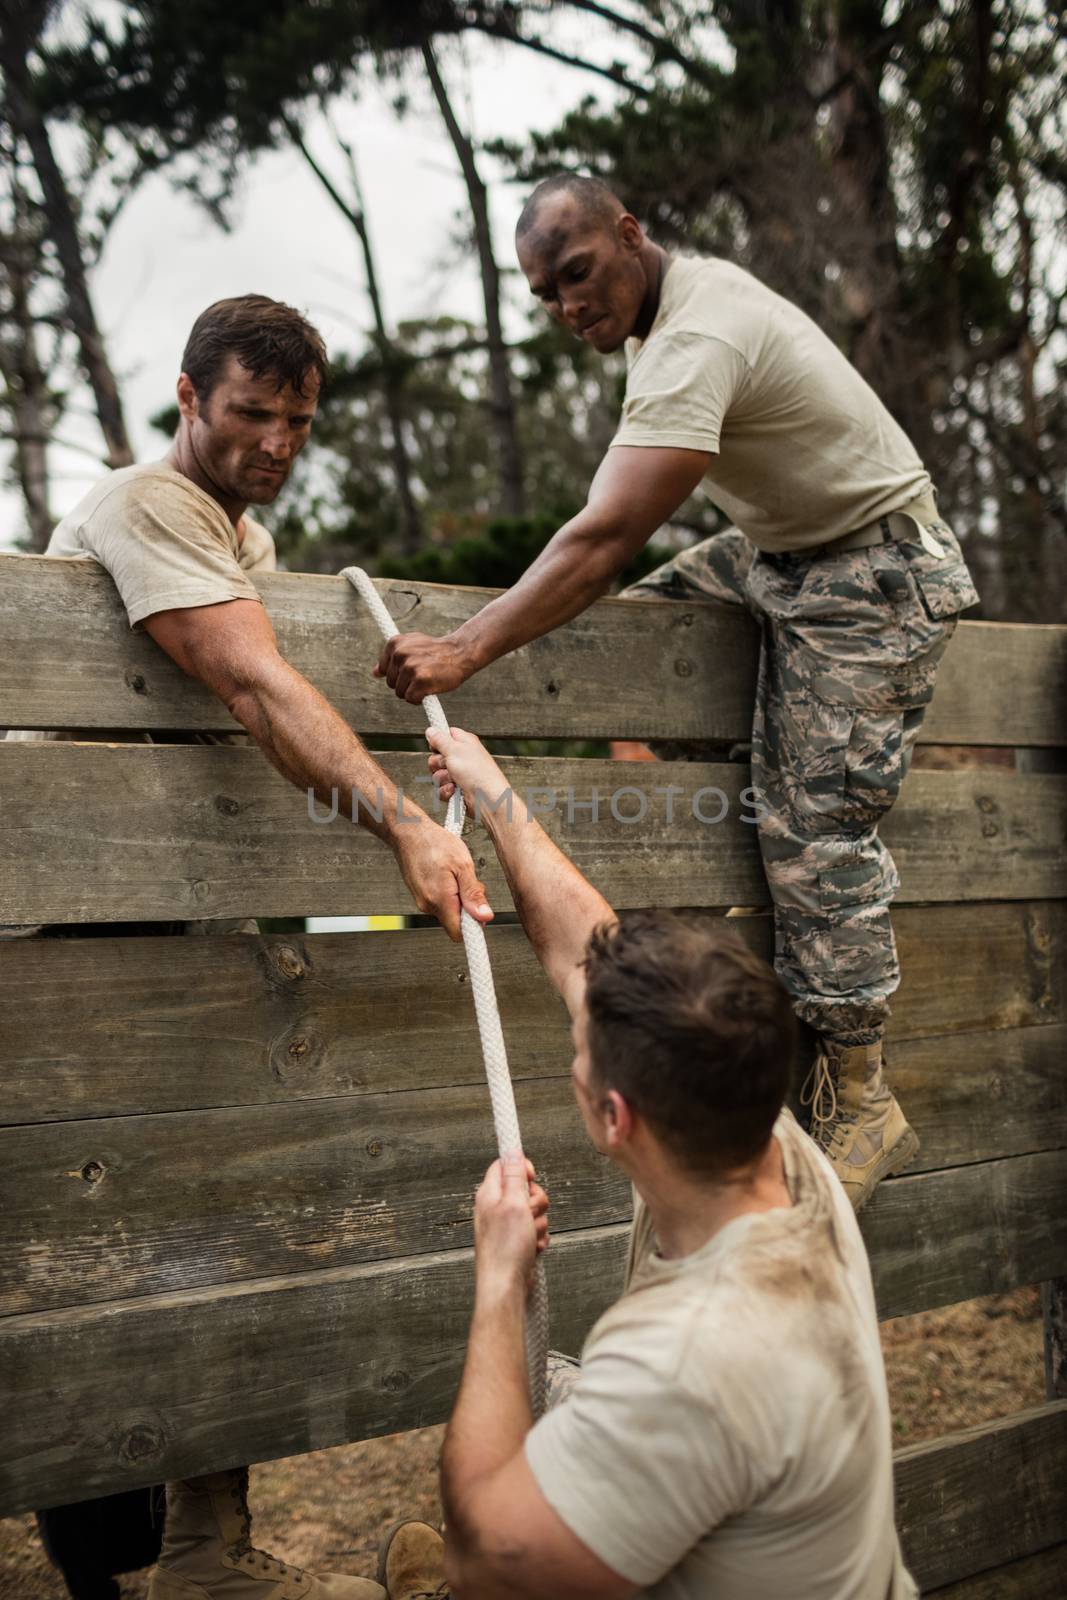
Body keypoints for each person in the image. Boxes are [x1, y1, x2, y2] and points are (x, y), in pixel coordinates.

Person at [4, 294, 491, 1600]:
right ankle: (110, 1562)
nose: (276, 441)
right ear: (187, 398)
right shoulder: (140, 507)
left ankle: (206, 1538)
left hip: (180, 908)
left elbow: (274, 675)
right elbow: (258, 685)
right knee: (92, 1220)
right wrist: (400, 825)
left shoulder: (245, 535)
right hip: (77, 919)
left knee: (209, 1205)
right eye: (250, 413)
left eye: (297, 419)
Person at [373, 174, 981, 1214]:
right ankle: (723, 783)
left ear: (629, 235)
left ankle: (860, 1086)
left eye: (577, 273)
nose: (568, 306)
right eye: (545, 294)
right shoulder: (665, 325)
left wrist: (466, 649)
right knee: (639, 626)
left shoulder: (695, 337)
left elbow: (603, 535)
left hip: (872, 572)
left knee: (812, 826)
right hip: (783, 551)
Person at [378, 724, 917, 1600]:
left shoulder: (684, 1362)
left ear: (612, 1116)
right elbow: (590, 952)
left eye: (579, 1049)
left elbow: (480, 1554)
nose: (575, 1027)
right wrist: (494, 795)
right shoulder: (775, 1148)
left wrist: (498, 1282)